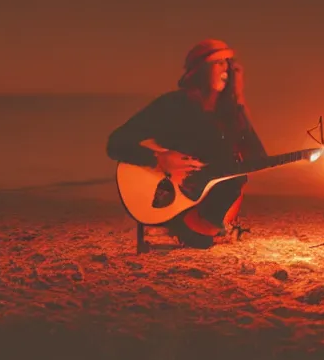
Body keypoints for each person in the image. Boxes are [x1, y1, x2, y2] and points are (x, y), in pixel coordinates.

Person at [106, 39, 268, 248]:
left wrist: (239, 99)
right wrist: (158, 159)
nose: (225, 67)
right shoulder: (172, 105)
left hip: (205, 204)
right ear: (199, 70)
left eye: (228, 62)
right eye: (217, 62)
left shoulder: (229, 112)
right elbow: (116, 143)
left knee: (236, 174)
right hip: (170, 198)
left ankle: (205, 224)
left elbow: (258, 157)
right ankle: (185, 225)